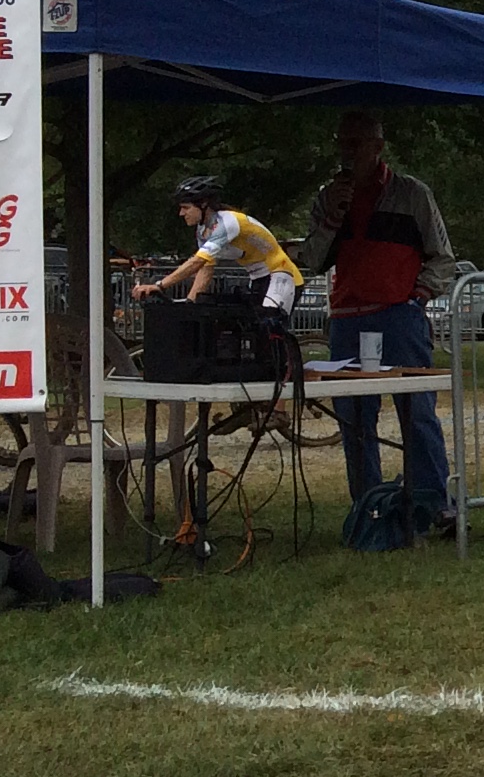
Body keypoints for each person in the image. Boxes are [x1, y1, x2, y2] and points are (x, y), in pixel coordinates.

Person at [303, 110, 460, 527]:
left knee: (416, 410)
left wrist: (417, 297)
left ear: (377, 147)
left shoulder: (411, 194)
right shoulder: (328, 197)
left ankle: (434, 502)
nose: (347, 153)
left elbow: (443, 257)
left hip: (397, 316)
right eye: (342, 144)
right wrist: (332, 218)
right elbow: (312, 260)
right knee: (354, 417)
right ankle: (369, 505)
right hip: (347, 318)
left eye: (355, 144)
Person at [134, 175, 301, 312]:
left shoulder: (226, 222)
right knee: (247, 330)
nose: (181, 213)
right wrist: (191, 303)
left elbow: (196, 262)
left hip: (282, 274)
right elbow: (205, 269)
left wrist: (160, 285)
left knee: (269, 325)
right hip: (258, 278)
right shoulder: (203, 230)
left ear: (203, 204)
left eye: (185, 207)